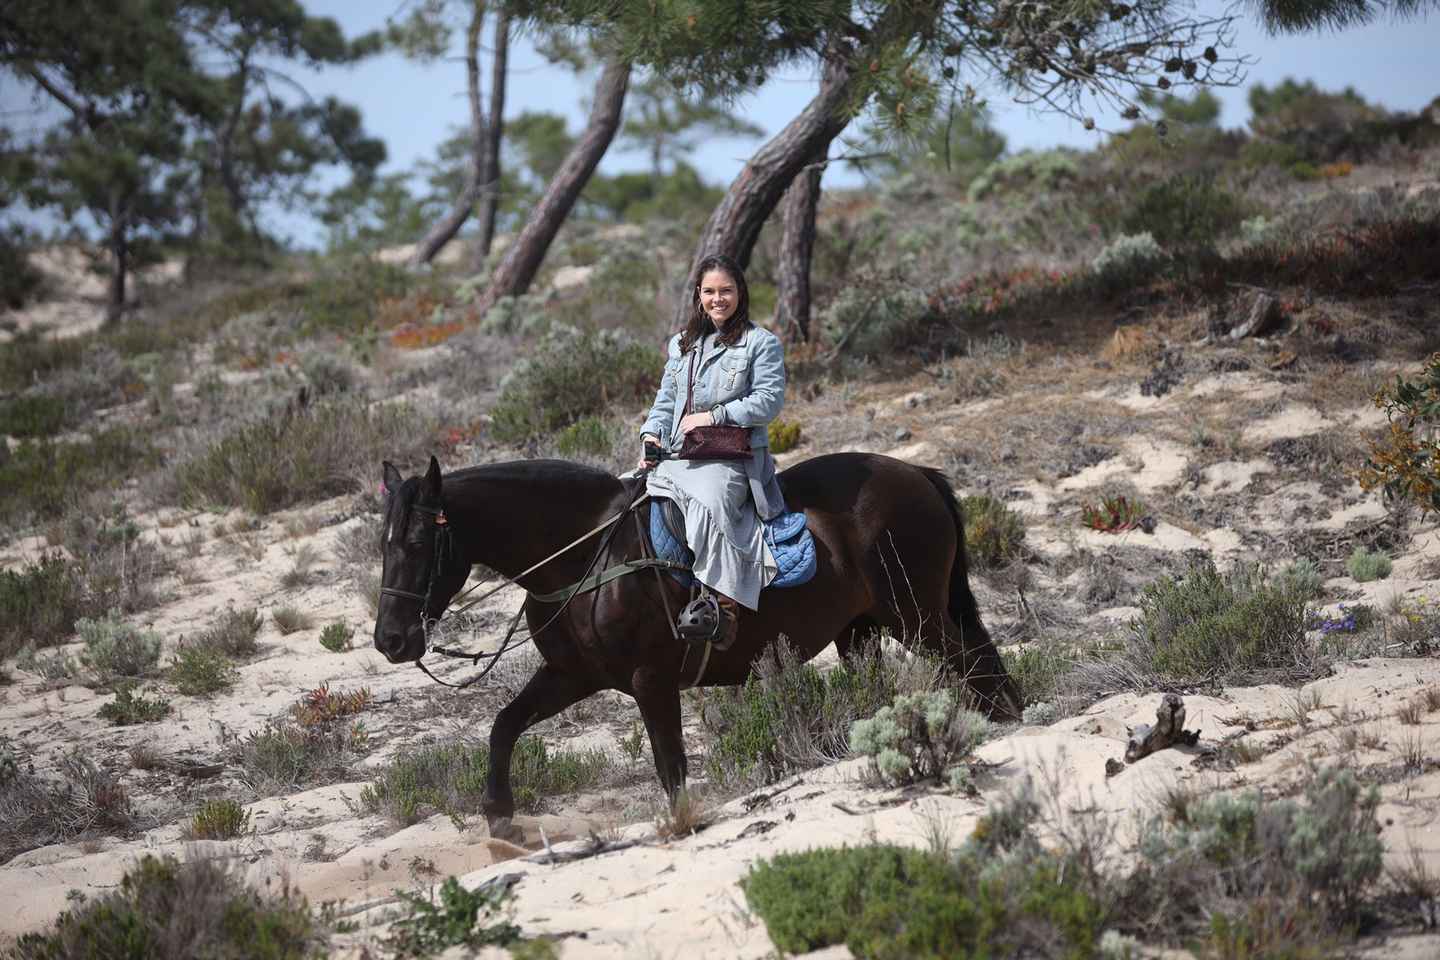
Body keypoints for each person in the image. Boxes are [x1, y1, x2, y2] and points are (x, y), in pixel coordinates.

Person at [638, 254, 787, 649]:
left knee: (709, 503)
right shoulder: (682, 344)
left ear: (740, 293)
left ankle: (725, 606)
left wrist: (714, 416)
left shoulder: (760, 343)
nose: (718, 299)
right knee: (628, 497)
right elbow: (666, 400)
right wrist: (651, 437)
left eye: (726, 290)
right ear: (698, 296)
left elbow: (769, 401)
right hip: (679, 454)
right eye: (710, 291)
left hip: (733, 458)